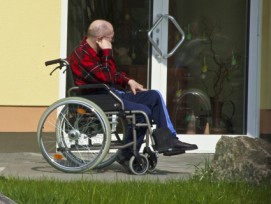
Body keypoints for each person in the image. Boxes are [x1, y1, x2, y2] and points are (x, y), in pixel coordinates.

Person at [68, 19, 198, 168]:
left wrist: (129, 81)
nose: (113, 41)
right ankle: (127, 153)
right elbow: (107, 77)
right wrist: (107, 52)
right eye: (111, 38)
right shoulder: (82, 55)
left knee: (154, 96)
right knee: (142, 111)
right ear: (100, 39)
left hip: (110, 94)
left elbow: (112, 74)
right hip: (97, 98)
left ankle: (168, 141)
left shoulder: (96, 51)